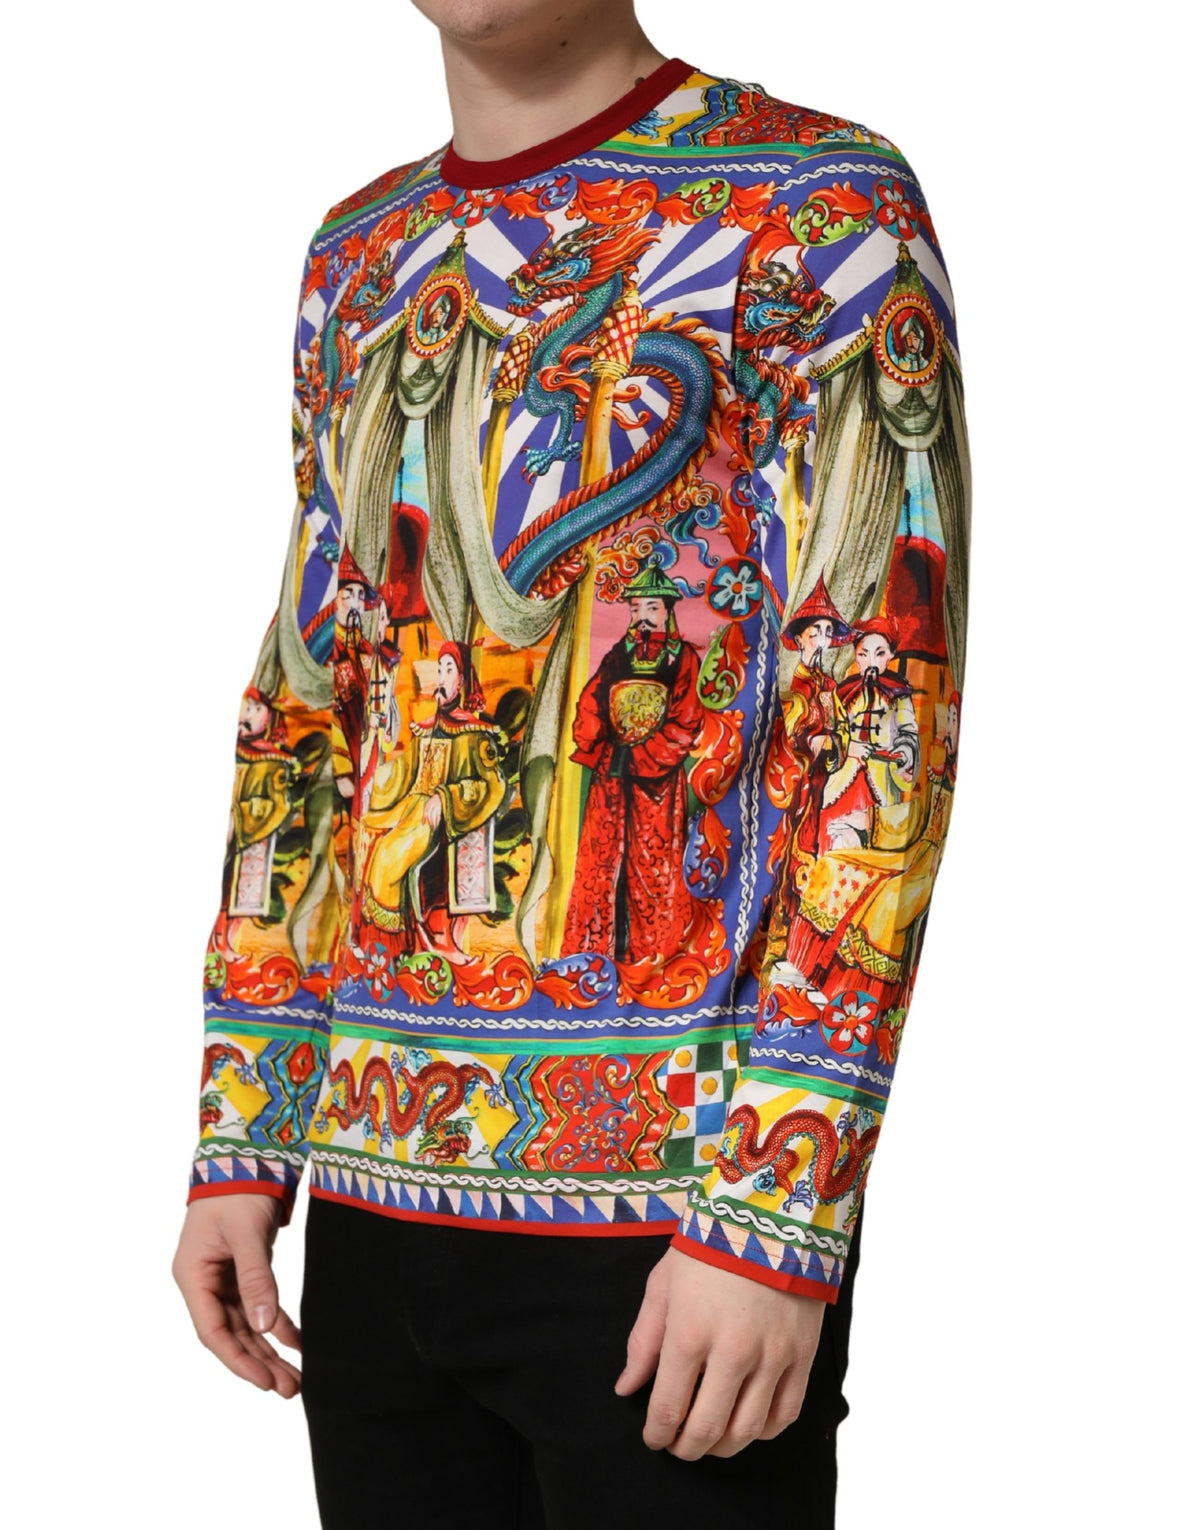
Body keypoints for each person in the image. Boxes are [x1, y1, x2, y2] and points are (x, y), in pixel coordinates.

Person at [172, 4, 971, 1526]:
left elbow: (885, 711)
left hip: (676, 1229)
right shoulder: (359, 258)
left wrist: (778, 1213)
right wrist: (243, 1126)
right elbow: (313, 703)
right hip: (370, 1202)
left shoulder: (819, 212)